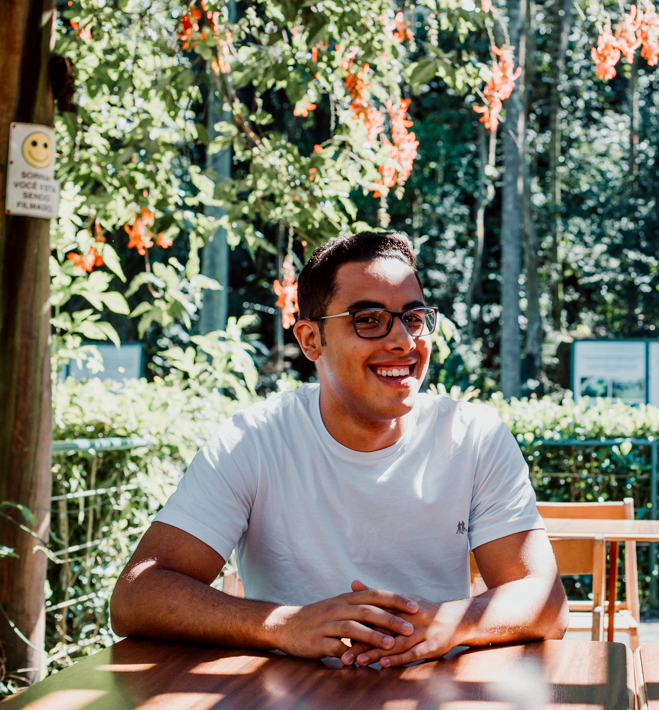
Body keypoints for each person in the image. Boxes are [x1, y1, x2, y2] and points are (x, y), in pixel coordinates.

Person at [110, 232, 568, 666]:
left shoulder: (475, 437)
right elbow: (137, 595)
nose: (403, 341)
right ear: (311, 340)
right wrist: (283, 625)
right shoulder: (255, 439)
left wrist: (452, 622)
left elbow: (545, 600)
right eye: (369, 320)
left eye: (413, 317)